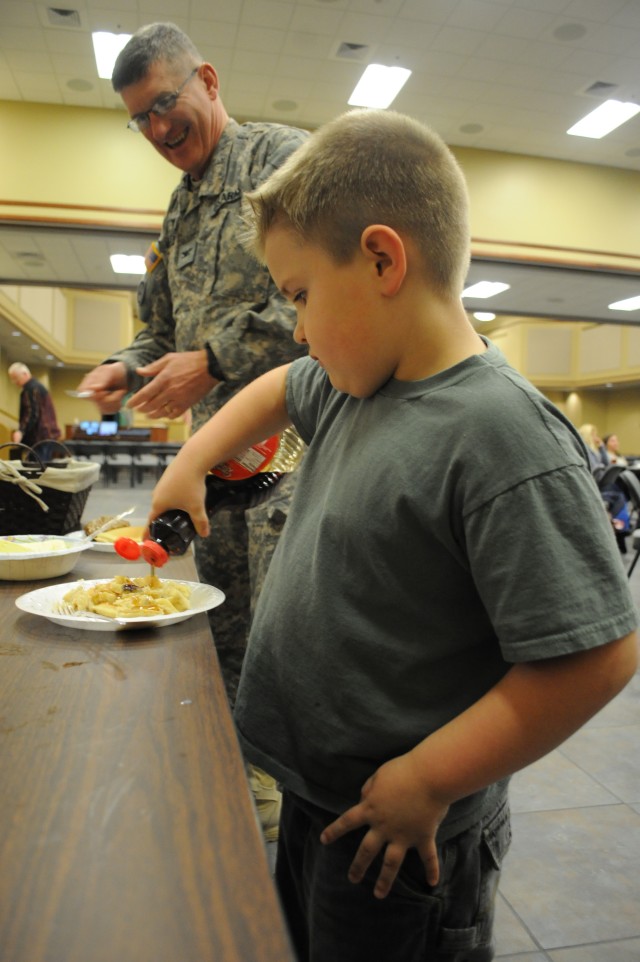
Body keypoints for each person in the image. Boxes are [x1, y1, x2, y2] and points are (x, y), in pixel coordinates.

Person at [145, 108, 638, 962]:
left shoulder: (500, 433)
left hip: (398, 829)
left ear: (381, 259)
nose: (296, 327)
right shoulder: (352, 382)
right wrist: (191, 462)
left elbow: (597, 655)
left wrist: (428, 778)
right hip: (313, 792)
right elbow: (273, 389)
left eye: (300, 296)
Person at [76, 23, 309, 839]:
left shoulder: (284, 160)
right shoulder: (178, 210)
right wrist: (126, 367)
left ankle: (304, 798)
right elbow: (160, 329)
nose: (157, 130)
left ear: (207, 80)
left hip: (295, 450)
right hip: (212, 463)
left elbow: (322, 300)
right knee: (222, 624)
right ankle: (245, 799)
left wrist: (214, 358)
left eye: (165, 105)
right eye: (140, 119)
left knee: (291, 631)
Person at [8, 362, 61, 461]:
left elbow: (32, 412)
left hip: (39, 437)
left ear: (25, 374)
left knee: (36, 469)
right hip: (47, 435)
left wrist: (21, 431)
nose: (15, 382)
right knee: (43, 467)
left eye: (16, 378)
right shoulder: (37, 386)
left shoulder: (31, 388)